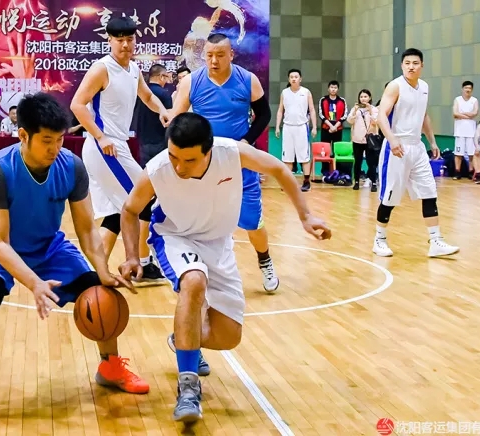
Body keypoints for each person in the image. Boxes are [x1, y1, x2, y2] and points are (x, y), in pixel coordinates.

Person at [0, 93, 148, 428]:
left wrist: (103, 270)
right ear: (23, 135)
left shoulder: (71, 166)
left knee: (97, 289)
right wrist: (34, 282)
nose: (55, 148)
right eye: (47, 141)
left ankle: (110, 366)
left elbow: (86, 229)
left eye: (60, 140)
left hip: (47, 245)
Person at [118, 113, 331, 423]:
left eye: (189, 160)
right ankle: (188, 387)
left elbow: (279, 169)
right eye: (174, 156)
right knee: (194, 281)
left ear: (209, 150)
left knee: (228, 337)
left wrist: (306, 216)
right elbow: (129, 209)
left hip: (219, 243)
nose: (179, 167)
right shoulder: (158, 169)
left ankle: (183, 337)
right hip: (175, 236)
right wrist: (132, 256)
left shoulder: (231, 153)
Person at [169, 33, 279, 294]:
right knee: (201, 222)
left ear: (231, 55)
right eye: (209, 55)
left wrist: (247, 141)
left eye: (220, 55)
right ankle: (202, 271)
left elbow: (264, 114)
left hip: (240, 164)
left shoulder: (247, 80)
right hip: (204, 165)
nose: (214, 61)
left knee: (252, 221)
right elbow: (177, 120)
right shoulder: (192, 82)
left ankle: (265, 260)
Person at [70, 17, 170, 281]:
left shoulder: (133, 69)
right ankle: (140, 262)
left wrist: (162, 110)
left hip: (116, 146)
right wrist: (101, 136)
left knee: (117, 213)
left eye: (129, 39)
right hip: (105, 147)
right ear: (109, 40)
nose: (125, 45)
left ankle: (92, 273)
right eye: (119, 40)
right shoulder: (102, 69)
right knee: (143, 197)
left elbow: (147, 96)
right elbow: (77, 104)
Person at [374, 48, 459, 258]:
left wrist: (432, 141)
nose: (411, 67)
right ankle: (379, 240)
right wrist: (392, 139)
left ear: (422, 66)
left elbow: (424, 116)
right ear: (402, 65)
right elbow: (381, 115)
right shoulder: (395, 86)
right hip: (396, 147)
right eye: (407, 63)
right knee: (390, 197)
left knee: (429, 192)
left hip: (417, 147)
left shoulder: (424, 87)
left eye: (415, 63)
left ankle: (436, 241)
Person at [275, 68, 317, 192]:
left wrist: (314, 127)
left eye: (296, 77)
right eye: (291, 77)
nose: (294, 79)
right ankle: (288, 183)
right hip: (288, 127)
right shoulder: (284, 93)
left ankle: (306, 182)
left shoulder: (306, 92)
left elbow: (312, 110)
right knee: (287, 157)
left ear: (300, 79)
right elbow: (280, 110)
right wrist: (277, 126)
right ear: (289, 79)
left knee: (304, 156)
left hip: (302, 127)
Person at [347, 89, 379, 191]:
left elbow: (376, 121)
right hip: (357, 139)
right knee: (358, 161)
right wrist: (355, 111)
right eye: (361, 97)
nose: (363, 99)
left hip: (370, 140)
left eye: (365, 96)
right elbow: (349, 120)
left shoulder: (374, 109)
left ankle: (373, 182)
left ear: (369, 98)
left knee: (371, 162)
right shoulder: (355, 109)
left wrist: (370, 111)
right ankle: (356, 182)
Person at [452, 81, 479, 180]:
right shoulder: (457, 100)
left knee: (471, 153)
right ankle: (457, 171)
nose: (468, 90)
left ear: (472, 90)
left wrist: (462, 114)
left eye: (470, 88)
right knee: (458, 153)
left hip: (471, 131)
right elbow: (455, 113)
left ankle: (471, 171)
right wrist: (468, 115)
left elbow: (475, 113)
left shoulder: (474, 100)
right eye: (466, 88)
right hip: (459, 131)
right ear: (462, 89)